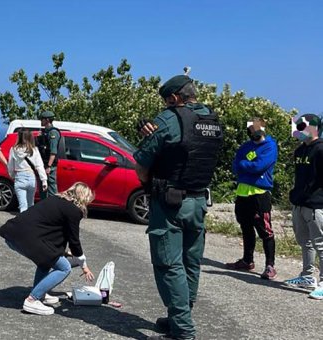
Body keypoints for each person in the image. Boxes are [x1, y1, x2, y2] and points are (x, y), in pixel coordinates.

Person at [133, 75, 223, 340]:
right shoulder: (212, 120)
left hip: (171, 202)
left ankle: (182, 330)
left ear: (174, 98)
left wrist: (151, 181)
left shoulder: (167, 119)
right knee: (190, 262)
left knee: (169, 264)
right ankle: (179, 316)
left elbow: (142, 166)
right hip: (199, 201)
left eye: (166, 101)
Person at [0, 182, 95, 315]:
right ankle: (32, 300)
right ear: (83, 198)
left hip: (13, 233)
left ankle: (40, 292)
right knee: (64, 267)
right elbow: (74, 240)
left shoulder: (56, 199)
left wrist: (67, 253)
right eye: (88, 200)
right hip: (26, 237)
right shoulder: (73, 210)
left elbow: (53, 236)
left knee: (46, 261)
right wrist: (83, 263)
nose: (88, 204)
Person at [225, 118, 278, 279]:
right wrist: (247, 166)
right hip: (242, 193)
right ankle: (247, 260)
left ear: (263, 130)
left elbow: (259, 166)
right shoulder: (245, 147)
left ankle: (270, 266)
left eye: (257, 131)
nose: (254, 134)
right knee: (246, 228)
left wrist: (244, 165)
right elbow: (235, 166)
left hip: (260, 194)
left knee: (265, 231)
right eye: (252, 131)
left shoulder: (270, 146)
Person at [284, 113, 323, 300]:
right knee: (304, 242)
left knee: (321, 244)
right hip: (299, 204)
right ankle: (307, 276)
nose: (297, 130)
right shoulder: (300, 151)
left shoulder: (321, 149)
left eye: (301, 127)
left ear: (313, 128)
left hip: (317, 205)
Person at [7, 129, 48, 212]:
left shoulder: (13, 150)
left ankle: (23, 223)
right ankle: (31, 223)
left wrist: (12, 176)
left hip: (19, 177)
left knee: (23, 206)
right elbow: (39, 165)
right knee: (31, 205)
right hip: (31, 177)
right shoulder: (34, 150)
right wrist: (44, 180)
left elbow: (10, 166)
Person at [37, 111, 61, 199]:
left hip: (48, 165)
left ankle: (54, 209)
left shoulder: (53, 133)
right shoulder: (45, 132)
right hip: (42, 164)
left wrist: (49, 166)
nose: (40, 121)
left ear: (47, 120)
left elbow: (53, 152)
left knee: (51, 190)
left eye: (42, 119)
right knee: (43, 190)